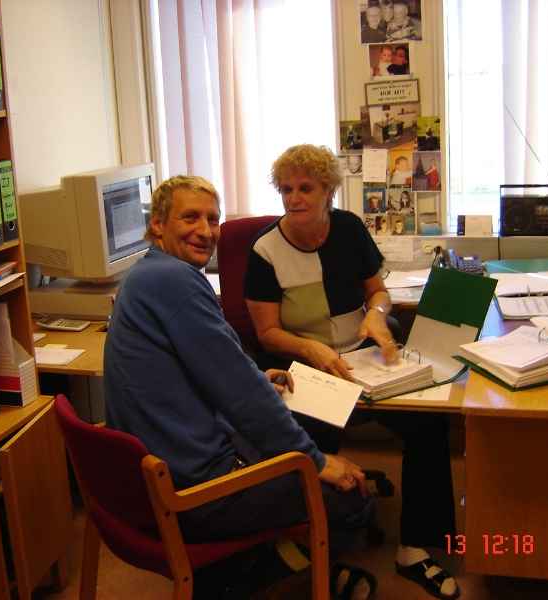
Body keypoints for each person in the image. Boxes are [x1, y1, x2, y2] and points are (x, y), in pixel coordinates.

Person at [104, 175, 378, 600]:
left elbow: (207, 368)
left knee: (287, 430)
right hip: (195, 491)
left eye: (213, 219)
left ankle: (245, 563)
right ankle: (234, 581)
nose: (206, 231)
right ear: (157, 224)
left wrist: (255, 378)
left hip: (158, 472)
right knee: (353, 497)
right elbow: (240, 394)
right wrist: (315, 461)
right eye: (190, 218)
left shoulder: (147, 275)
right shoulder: (175, 281)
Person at [244, 145, 460, 599]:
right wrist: (310, 348)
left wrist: (377, 316)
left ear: (329, 191)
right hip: (306, 367)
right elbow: (267, 333)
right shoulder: (265, 250)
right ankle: (315, 545)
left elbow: (378, 293)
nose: (294, 198)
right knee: (306, 445)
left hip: (361, 356)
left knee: (427, 424)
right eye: (286, 189)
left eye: (306, 188)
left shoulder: (349, 229)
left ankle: (415, 548)